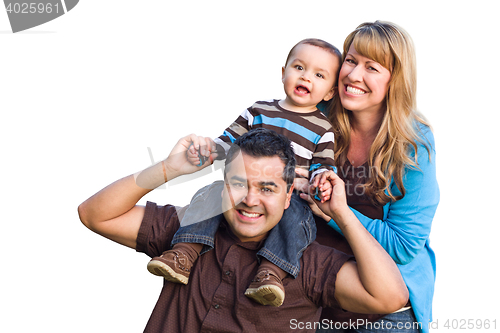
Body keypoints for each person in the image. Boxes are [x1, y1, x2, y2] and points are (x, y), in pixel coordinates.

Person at [77, 128, 409, 333]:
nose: (250, 200)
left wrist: (341, 213)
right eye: (239, 184)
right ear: (223, 186)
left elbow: (390, 296)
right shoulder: (188, 230)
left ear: (288, 195)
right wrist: (168, 169)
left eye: (267, 188)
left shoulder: (307, 264)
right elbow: (95, 214)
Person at [146, 38, 342, 307]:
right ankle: (184, 252)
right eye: (299, 67)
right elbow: (227, 141)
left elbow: (323, 167)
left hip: (288, 196)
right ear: (283, 72)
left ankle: (271, 273)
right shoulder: (258, 111)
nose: (306, 77)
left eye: (319, 75)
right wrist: (206, 151)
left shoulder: (323, 129)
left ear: (330, 92)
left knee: (297, 218)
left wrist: (320, 182)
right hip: (242, 188)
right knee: (210, 194)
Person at [303, 21, 439, 333]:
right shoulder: (315, 116)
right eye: (350, 61)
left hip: (384, 308)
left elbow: (404, 245)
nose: (353, 76)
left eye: (371, 67)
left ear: (395, 80)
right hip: (316, 290)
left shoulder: (413, 144)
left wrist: (334, 213)